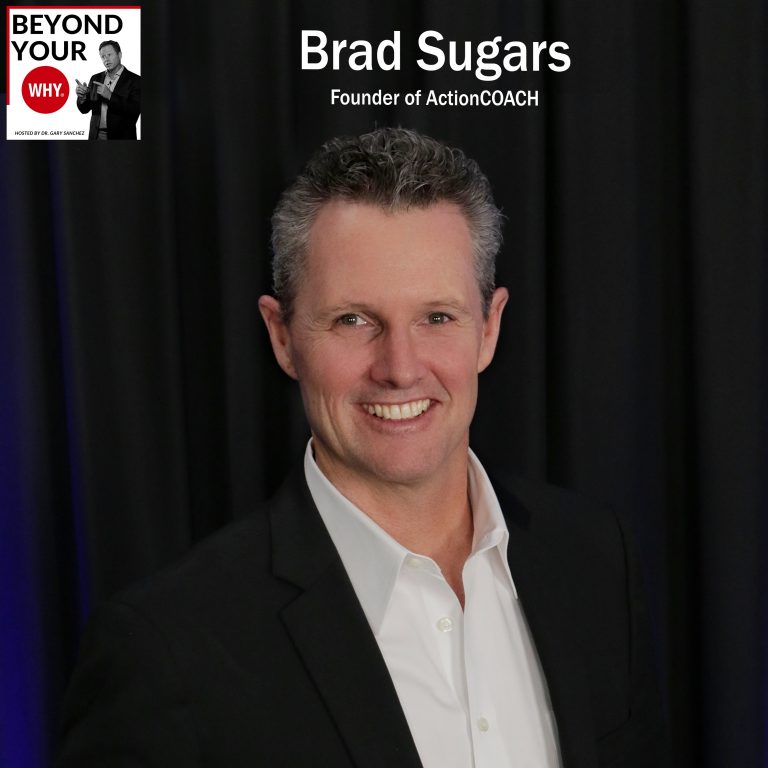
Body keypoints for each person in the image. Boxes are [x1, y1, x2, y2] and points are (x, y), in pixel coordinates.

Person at [57, 128, 666, 767]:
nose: (400, 369)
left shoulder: (596, 560)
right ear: (282, 337)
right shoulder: (167, 650)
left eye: (437, 317)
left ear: (489, 329)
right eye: (353, 320)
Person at [75, 40, 141, 140]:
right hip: (95, 136)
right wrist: (83, 97)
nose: (106, 59)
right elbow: (84, 110)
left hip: (122, 138)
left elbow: (135, 109)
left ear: (119, 55)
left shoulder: (136, 80)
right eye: (103, 56)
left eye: (109, 55)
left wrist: (110, 96)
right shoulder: (95, 78)